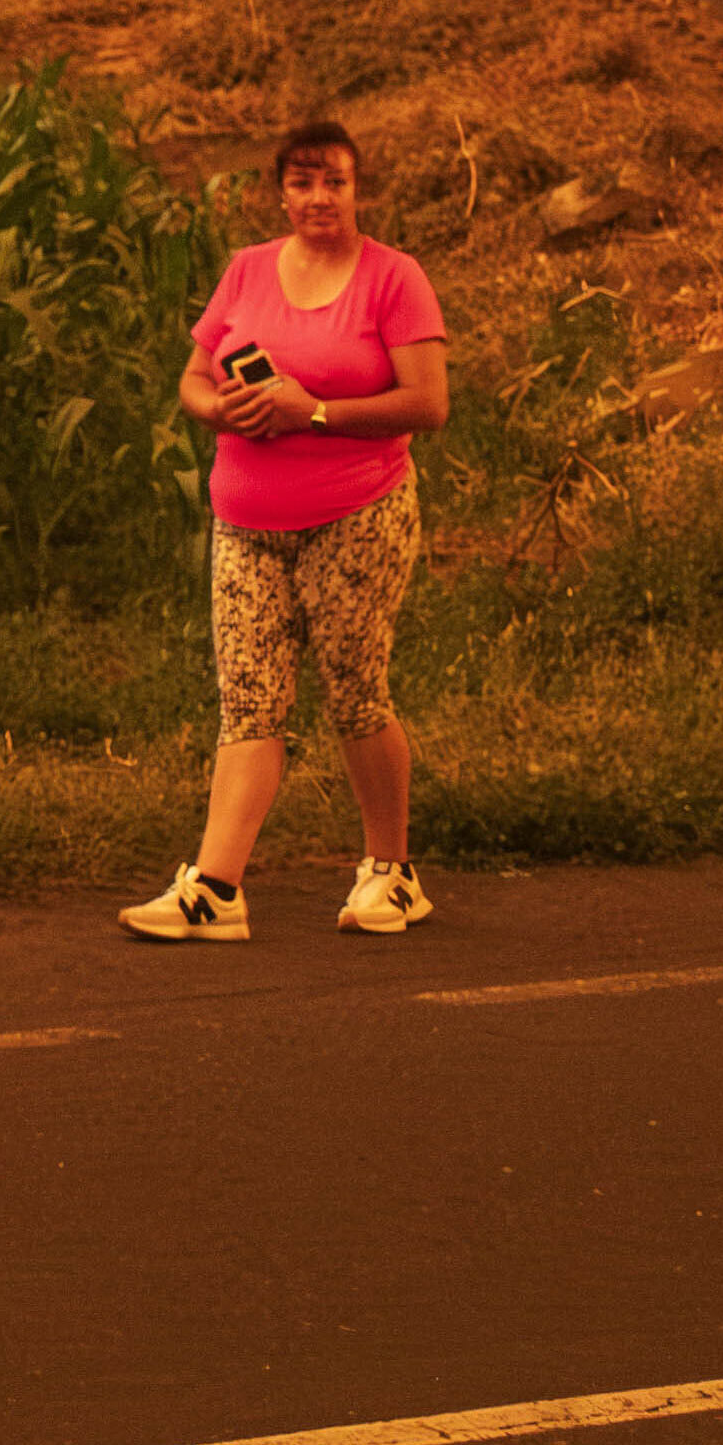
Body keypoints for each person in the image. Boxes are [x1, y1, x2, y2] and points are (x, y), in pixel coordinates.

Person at [121, 118, 452, 941]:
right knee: (250, 700)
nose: (318, 198)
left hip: (357, 513)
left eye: (334, 181)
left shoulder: (393, 278)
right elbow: (194, 378)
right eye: (302, 182)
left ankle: (393, 872)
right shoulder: (246, 271)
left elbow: (427, 402)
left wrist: (317, 409)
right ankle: (215, 890)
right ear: (281, 191)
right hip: (244, 520)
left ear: (357, 189)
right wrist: (220, 406)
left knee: (354, 690)